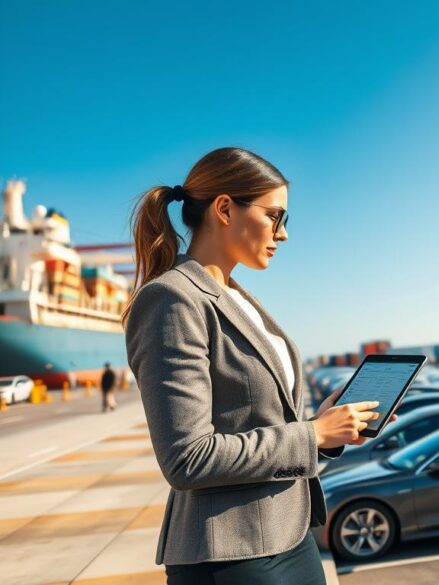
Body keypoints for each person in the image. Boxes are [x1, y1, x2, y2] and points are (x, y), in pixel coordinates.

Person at [121, 147, 392, 585]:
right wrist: (311, 435)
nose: (282, 234)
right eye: (275, 216)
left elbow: (253, 419)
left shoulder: (237, 296)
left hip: (292, 532)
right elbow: (187, 457)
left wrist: (324, 431)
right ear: (225, 208)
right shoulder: (171, 299)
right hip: (233, 555)